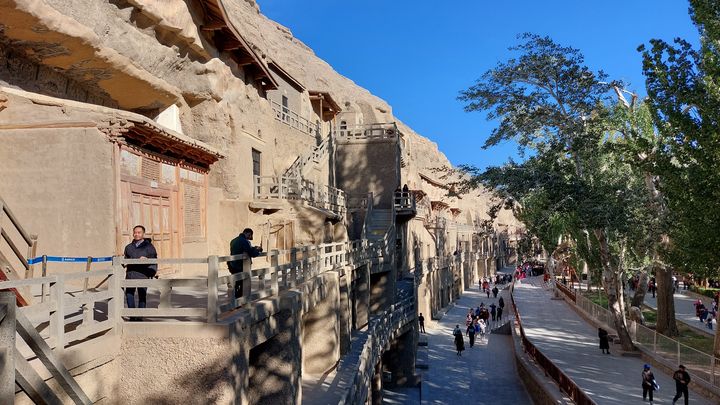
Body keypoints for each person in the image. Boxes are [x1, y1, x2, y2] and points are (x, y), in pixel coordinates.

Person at [123, 225, 157, 321]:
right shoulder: (128, 247)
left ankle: (140, 315)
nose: (137, 234)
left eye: (139, 232)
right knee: (129, 294)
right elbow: (125, 259)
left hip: (142, 274)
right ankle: (132, 315)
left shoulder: (149, 247)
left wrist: (147, 260)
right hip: (130, 274)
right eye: (135, 232)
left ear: (143, 234)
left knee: (142, 295)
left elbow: (154, 259)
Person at [228, 228, 263, 299]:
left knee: (236, 282)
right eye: (249, 236)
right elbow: (251, 253)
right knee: (241, 284)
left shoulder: (233, 240)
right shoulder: (244, 241)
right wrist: (257, 250)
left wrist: (253, 248)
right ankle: (239, 301)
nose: (249, 238)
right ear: (248, 233)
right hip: (240, 266)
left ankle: (235, 300)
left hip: (232, 264)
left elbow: (245, 249)